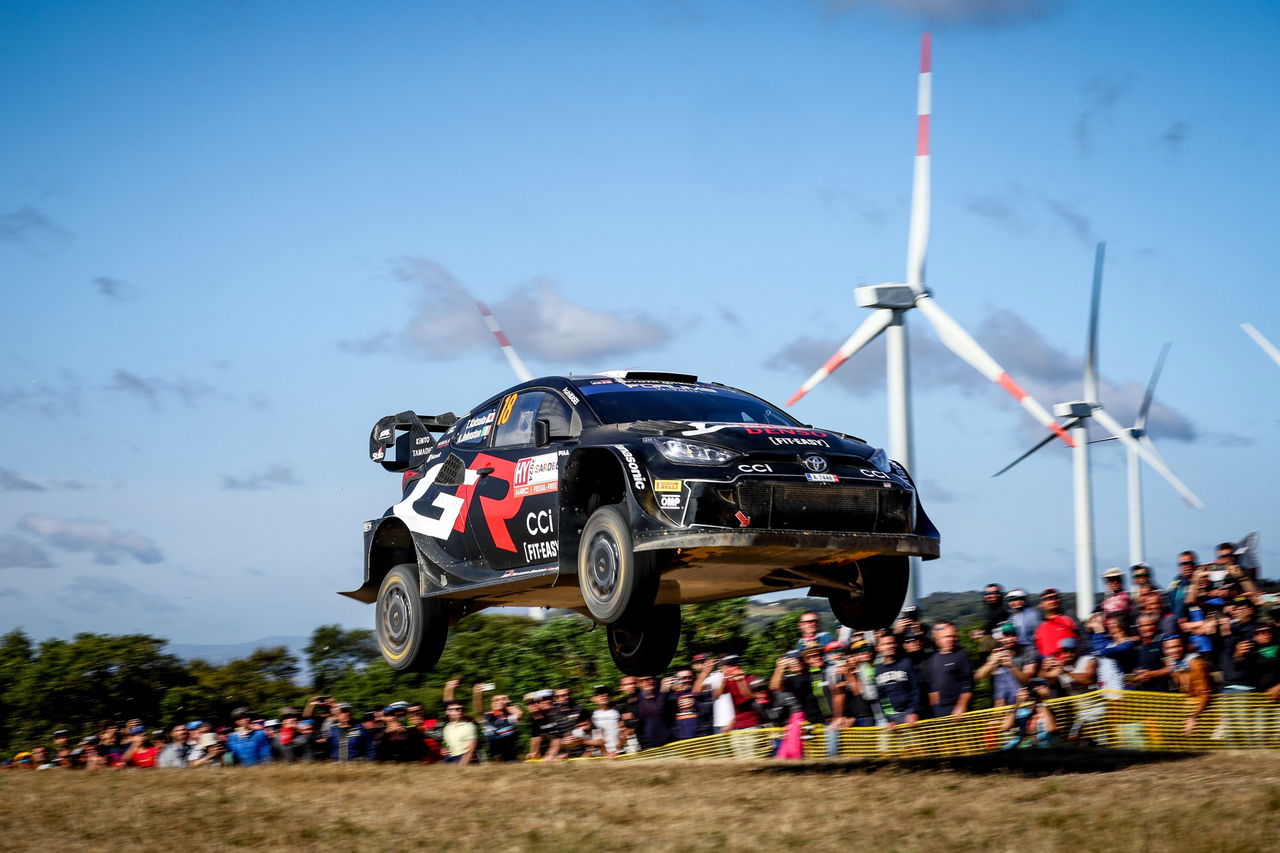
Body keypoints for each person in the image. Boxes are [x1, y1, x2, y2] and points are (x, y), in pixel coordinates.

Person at [976, 622, 1040, 706]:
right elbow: (979, 676)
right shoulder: (997, 653)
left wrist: (1011, 666)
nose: (1010, 639)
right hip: (1004, 707)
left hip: (1025, 701)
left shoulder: (1028, 651)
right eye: (1006, 636)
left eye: (1013, 635)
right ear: (1000, 638)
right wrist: (991, 663)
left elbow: (1026, 679)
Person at [1165, 634, 1214, 736]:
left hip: (1205, 713)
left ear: (1184, 647)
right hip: (1189, 710)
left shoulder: (1196, 664)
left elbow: (1206, 694)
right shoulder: (1174, 664)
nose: (1173, 650)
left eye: (1177, 646)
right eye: (1169, 648)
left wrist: (1194, 717)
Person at [925, 622, 973, 718]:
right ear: (938, 640)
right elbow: (933, 687)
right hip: (939, 710)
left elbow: (968, 684)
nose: (950, 639)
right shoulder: (934, 658)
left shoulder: (961, 655)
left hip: (958, 710)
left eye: (953, 636)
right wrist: (933, 710)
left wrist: (962, 706)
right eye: (946, 637)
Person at [873, 632, 920, 728]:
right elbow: (882, 697)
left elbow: (916, 689)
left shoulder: (906, 663)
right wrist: (889, 719)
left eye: (892, 643)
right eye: (885, 644)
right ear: (878, 648)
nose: (890, 646)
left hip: (909, 714)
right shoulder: (878, 670)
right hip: (892, 717)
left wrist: (913, 711)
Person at [1001, 683, 1057, 749]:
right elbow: (1005, 727)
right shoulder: (1022, 712)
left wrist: (1040, 702)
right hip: (1025, 746)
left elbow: (1051, 729)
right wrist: (1017, 703)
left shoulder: (1046, 710)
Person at [1033, 589, 1078, 659]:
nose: (1052, 601)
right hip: (1047, 664)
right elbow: (1038, 648)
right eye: (1046, 599)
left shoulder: (1068, 618)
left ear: (1058, 601)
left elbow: (1081, 640)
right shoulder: (1039, 625)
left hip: (1068, 661)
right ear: (1041, 604)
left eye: (1054, 597)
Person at [440, 700, 478, 765]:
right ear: (447, 712)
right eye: (456, 709)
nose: (459, 711)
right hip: (449, 758)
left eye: (461, 709)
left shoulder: (468, 726)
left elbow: (471, 748)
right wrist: (443, 749)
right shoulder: (447, 727)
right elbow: (446, 743)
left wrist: (462, 765)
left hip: (462, 758)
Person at [589, 686, 623, 756]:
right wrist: (605, 753)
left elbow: (622, 733)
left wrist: (617, 751)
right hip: (604, 755)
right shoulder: (592, 715)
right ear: (593, 699)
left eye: (605, 693)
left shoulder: (618, 711)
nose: (603, 696)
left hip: (621, 751)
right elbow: (598, 738)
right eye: (598, 694)